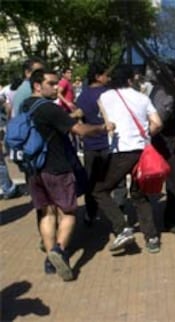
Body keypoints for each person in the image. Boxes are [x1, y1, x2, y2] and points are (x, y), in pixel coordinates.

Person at [22, 68, 115, 281]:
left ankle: (49, 258)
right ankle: (60, 250)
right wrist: (102, 127)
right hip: (57, 167)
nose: (58, 87)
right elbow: (79, 130)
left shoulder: (25, 105)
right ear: (38, 85)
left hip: (34, 168)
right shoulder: (49, 109)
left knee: (46, 213)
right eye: (52, 84)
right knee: (69, 212)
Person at [95, 64, 163, 253]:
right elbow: (157, 123)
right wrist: (146, 134)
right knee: (140, 195)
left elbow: (106, 119)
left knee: (99, 190)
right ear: (130, 79)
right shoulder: (142, 98)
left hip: (121, 150)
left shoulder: (105, 97)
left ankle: (122, 227)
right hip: (142, 150)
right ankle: (152, 237)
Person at [148, 69, 175, 234]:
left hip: (172, 141)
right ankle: (169, 220)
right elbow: (160, 118)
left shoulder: (166, 91)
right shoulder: (163, 93)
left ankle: (174, 213)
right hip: (164, 142)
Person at [75, 62, 111, 224]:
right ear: (98, 76)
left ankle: (91, 213)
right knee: (113, 180)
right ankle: (116, 212)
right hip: (108, 143)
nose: (108, 78)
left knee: (91, 180)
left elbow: (80, 118)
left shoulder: (83, 96)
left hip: (90, 144)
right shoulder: (109, 94)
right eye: (105, 75)